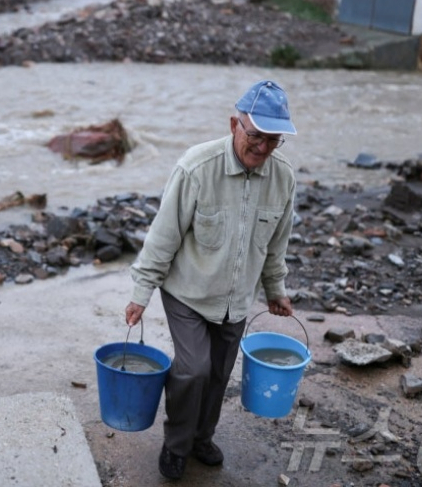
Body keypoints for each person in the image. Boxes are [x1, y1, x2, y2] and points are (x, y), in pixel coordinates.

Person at [124, 80, 298, 480]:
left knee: (219, 373)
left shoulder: (283, 178)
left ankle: (203, 437)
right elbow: (163, 236)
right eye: (256, 136)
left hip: (236, 299)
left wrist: (276, 290)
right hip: (187, 292)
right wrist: (141, 293)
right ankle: (176, 444)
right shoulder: (196, 167)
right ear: (234, 124)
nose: (263, 148)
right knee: (194, 369)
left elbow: (276, 243)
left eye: (274, 140)